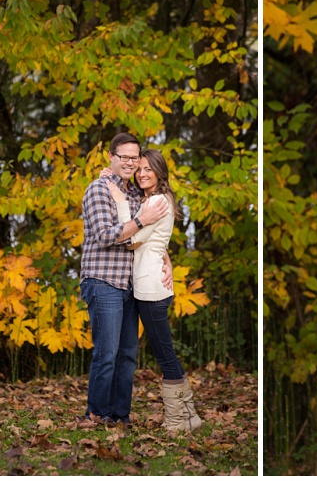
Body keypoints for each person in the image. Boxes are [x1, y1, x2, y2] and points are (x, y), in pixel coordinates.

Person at [104, 149, 204, 432]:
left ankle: (176, 420)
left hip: (150, 289)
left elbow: (132, 241)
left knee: (164, 355)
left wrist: (122, 204)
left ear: (160, 171)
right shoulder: (153, 199)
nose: (142, 173)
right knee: (165, 352)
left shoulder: (158, 200)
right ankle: (190, 417)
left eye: (148, 168)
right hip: (150, 284)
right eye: (140, 169)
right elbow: (155, 241)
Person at [80, 133, 172, 426]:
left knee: (128, 355)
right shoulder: (98, 190)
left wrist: (166, 259)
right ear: (111, 157)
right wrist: (141, 220)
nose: (131, 163)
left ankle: (120, 415)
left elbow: (147, 237)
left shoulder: (135, 194)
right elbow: (107, 235)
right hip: (103, 280)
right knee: (106, 353)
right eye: (125, 157)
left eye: (135, 158)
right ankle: (96, 413)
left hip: (131, 284)